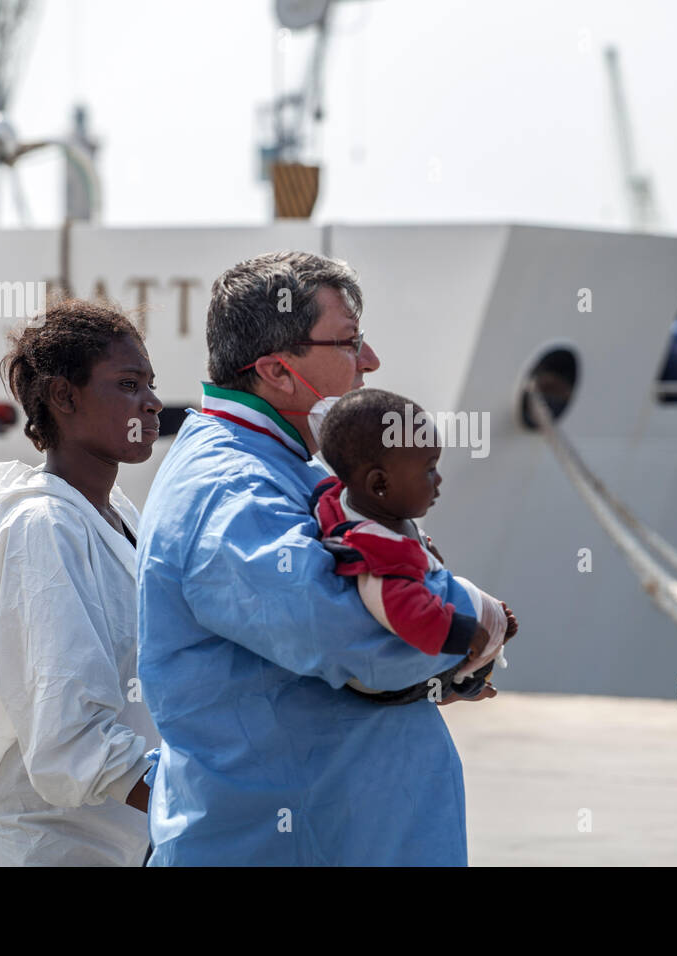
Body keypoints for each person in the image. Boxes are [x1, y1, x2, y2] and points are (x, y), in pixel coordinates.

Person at [136, 252, 495, 866]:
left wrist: (445, 664)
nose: (371, 361)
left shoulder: (280, 467)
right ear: (278, 370)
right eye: (351, 342)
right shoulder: (230, 490)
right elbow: (344, 633)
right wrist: (476, 619)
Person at [0, 299, 163, 866]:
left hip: (116, 845)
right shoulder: (43, 528)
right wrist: (197, 799)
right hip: (47, 849)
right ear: (64, 397)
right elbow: (69, 737)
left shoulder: (117, 515)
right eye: (129, 383)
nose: (153, 402)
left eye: (151, 383)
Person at [310, 387, 518, 705]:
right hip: (390, 687)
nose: (439, 480)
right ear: (379, 484)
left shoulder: (343, 496)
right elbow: (403, 609)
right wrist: (460, 631)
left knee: (479, 607)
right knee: (481, 630)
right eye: (429, 470)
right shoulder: (378, 552)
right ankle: (462, 687)